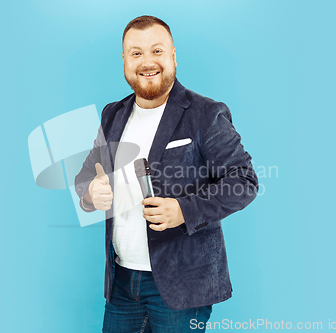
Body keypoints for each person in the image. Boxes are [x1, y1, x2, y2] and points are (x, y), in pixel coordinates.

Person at [75, 15, 258, 333]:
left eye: (157, 51)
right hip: (121, 285)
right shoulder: (112, 115)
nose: (147, 62)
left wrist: (183, 211)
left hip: (181, 287)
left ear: (173, 55)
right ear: (124, 60)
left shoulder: (205, 114)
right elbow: (86, 175)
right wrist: (91, 192)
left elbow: (244, 181)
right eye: (136, 53)